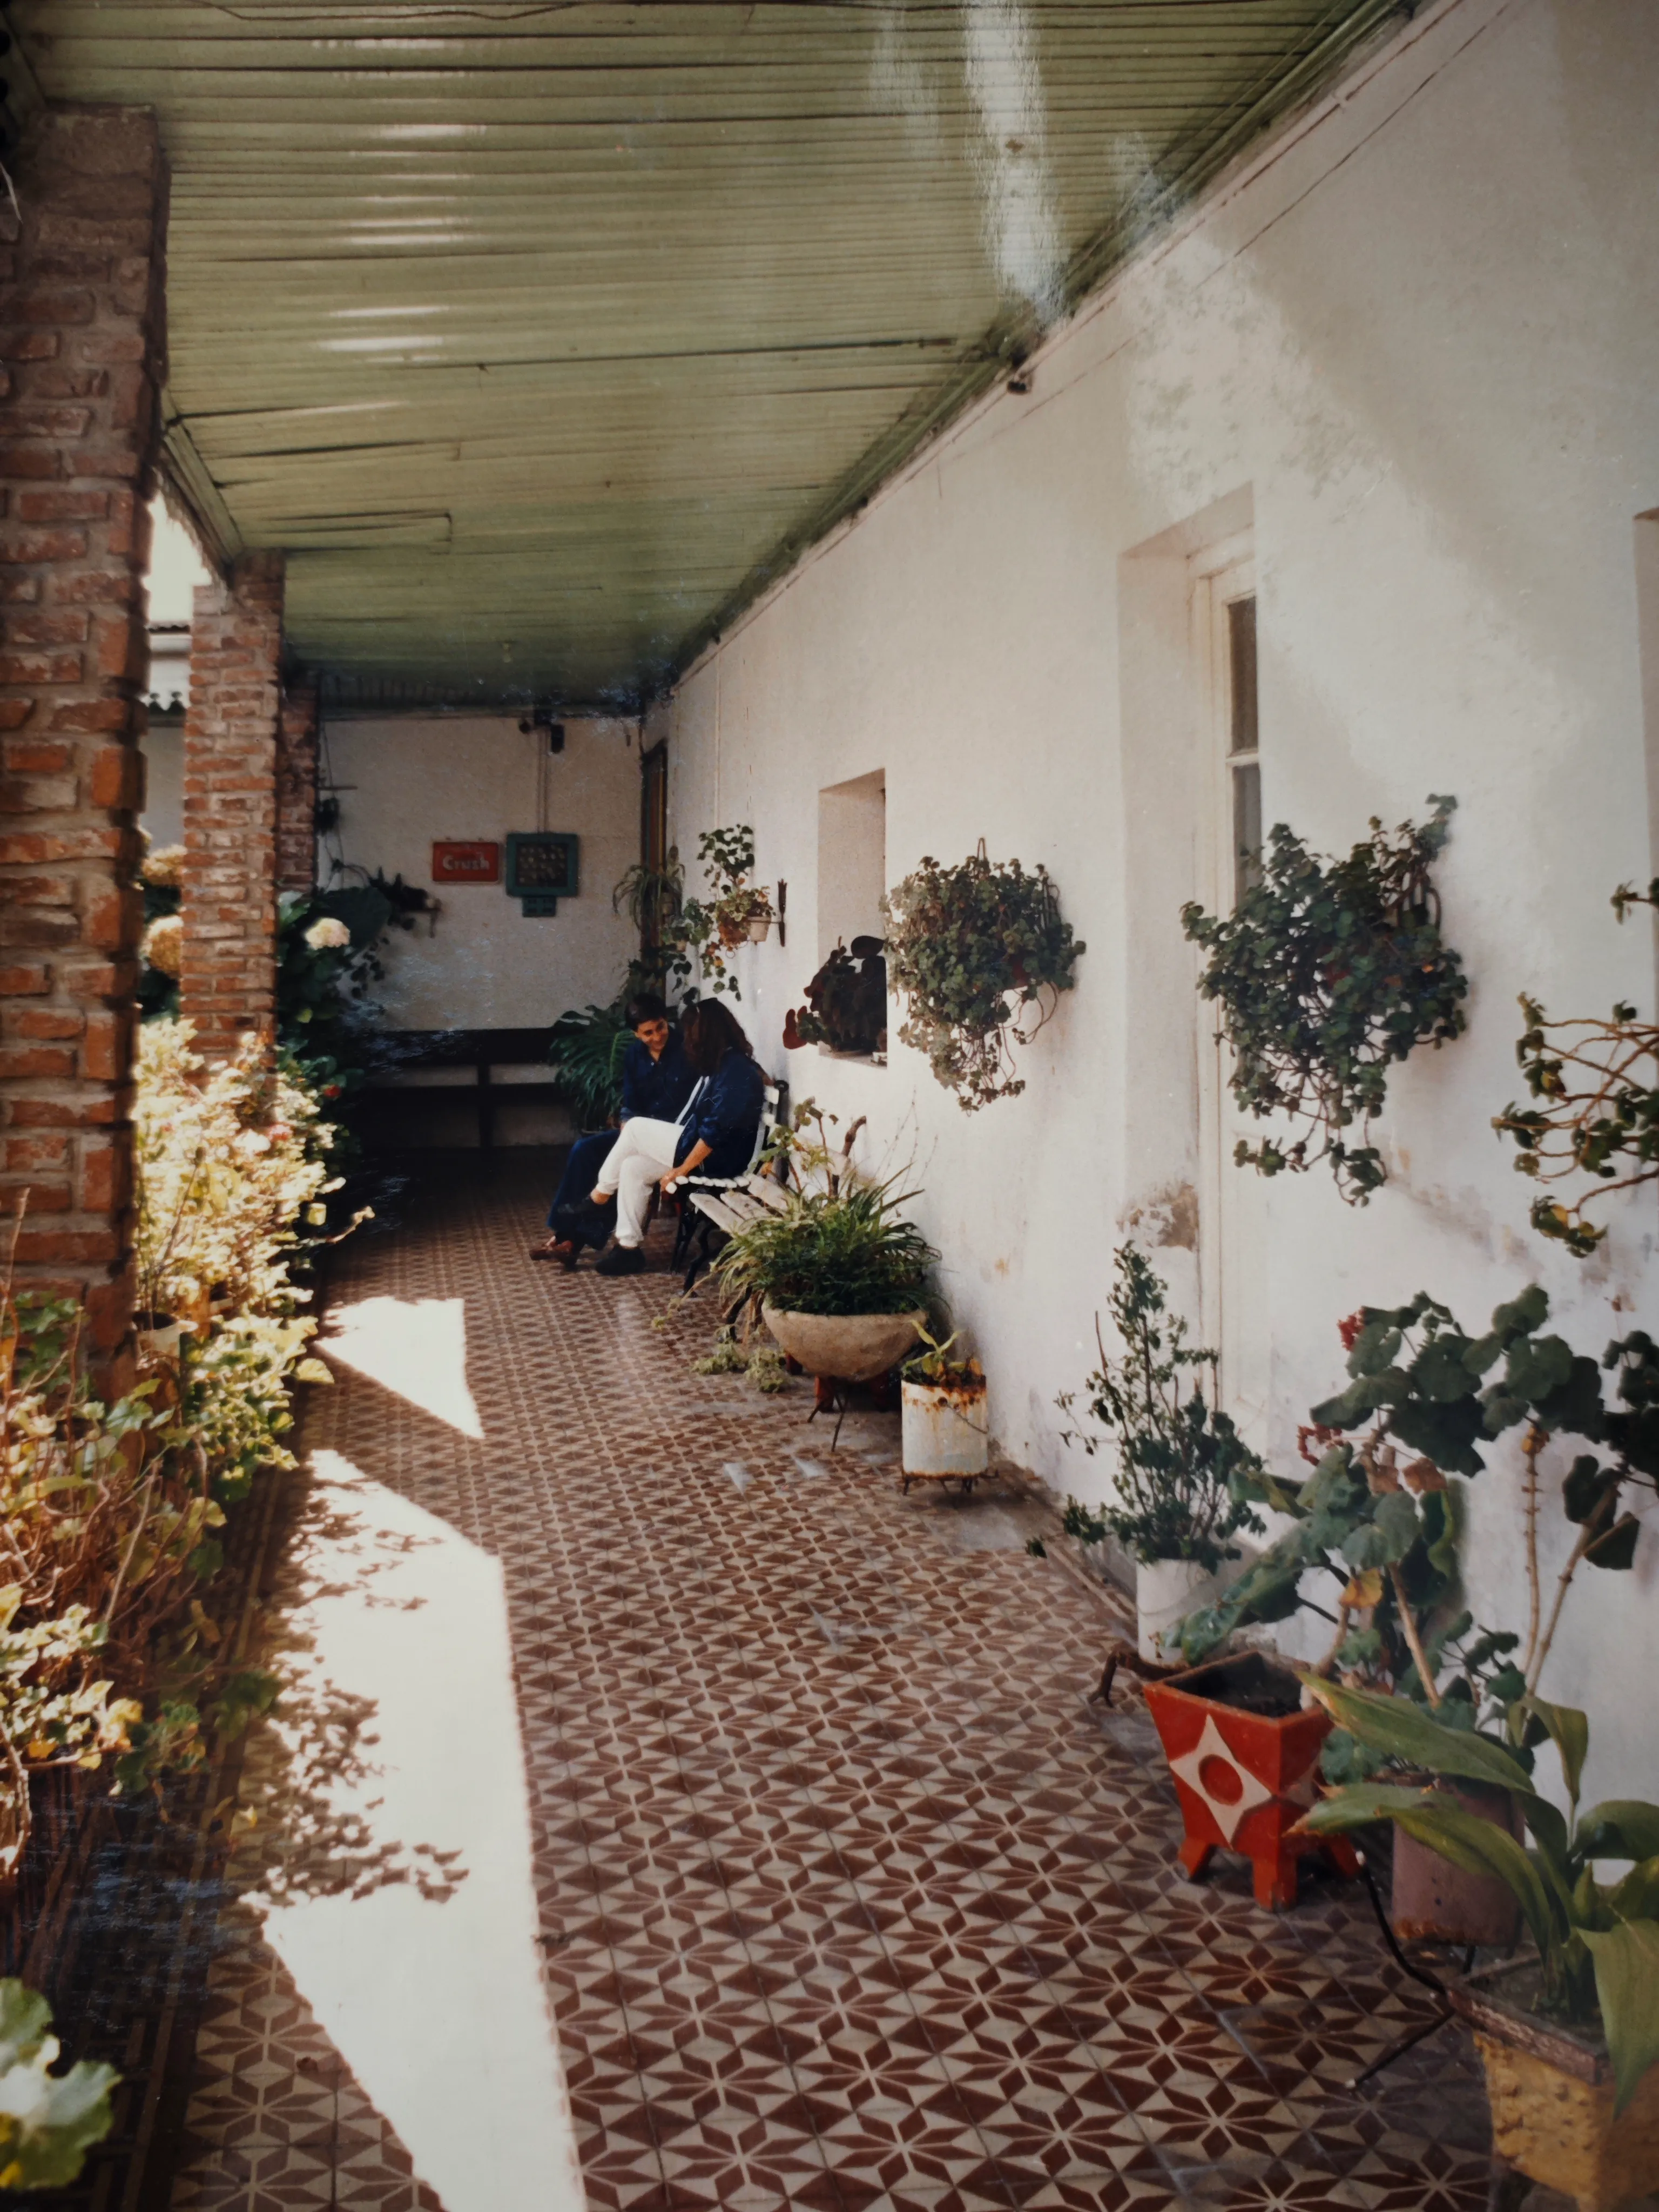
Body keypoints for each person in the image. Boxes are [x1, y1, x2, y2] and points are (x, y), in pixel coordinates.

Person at [588, 997, 765, 1277]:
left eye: (692, 1035)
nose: (687, 1042)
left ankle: (598, 1198)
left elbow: (714, 1134)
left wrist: (682, 1170)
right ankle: (627, 1249)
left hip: (717, 1160)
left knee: (634, 1128)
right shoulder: (725, 1063)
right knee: (632, 1166)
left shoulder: (735, 1071)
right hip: (701, 1149)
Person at [528, 993, 695, 1264]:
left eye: (661, 1027)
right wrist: (626, 1128)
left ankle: (572, 1240)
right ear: (636, 1034)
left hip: (670, 1138)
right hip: (637, 1133)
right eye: (648, 1033)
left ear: (667, 1021)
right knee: (586, 1150)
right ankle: (566, 1236)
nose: (657, 1037)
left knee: (621, 1164)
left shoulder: (688, 1049)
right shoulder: (634, 1056)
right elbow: (630, 1104)